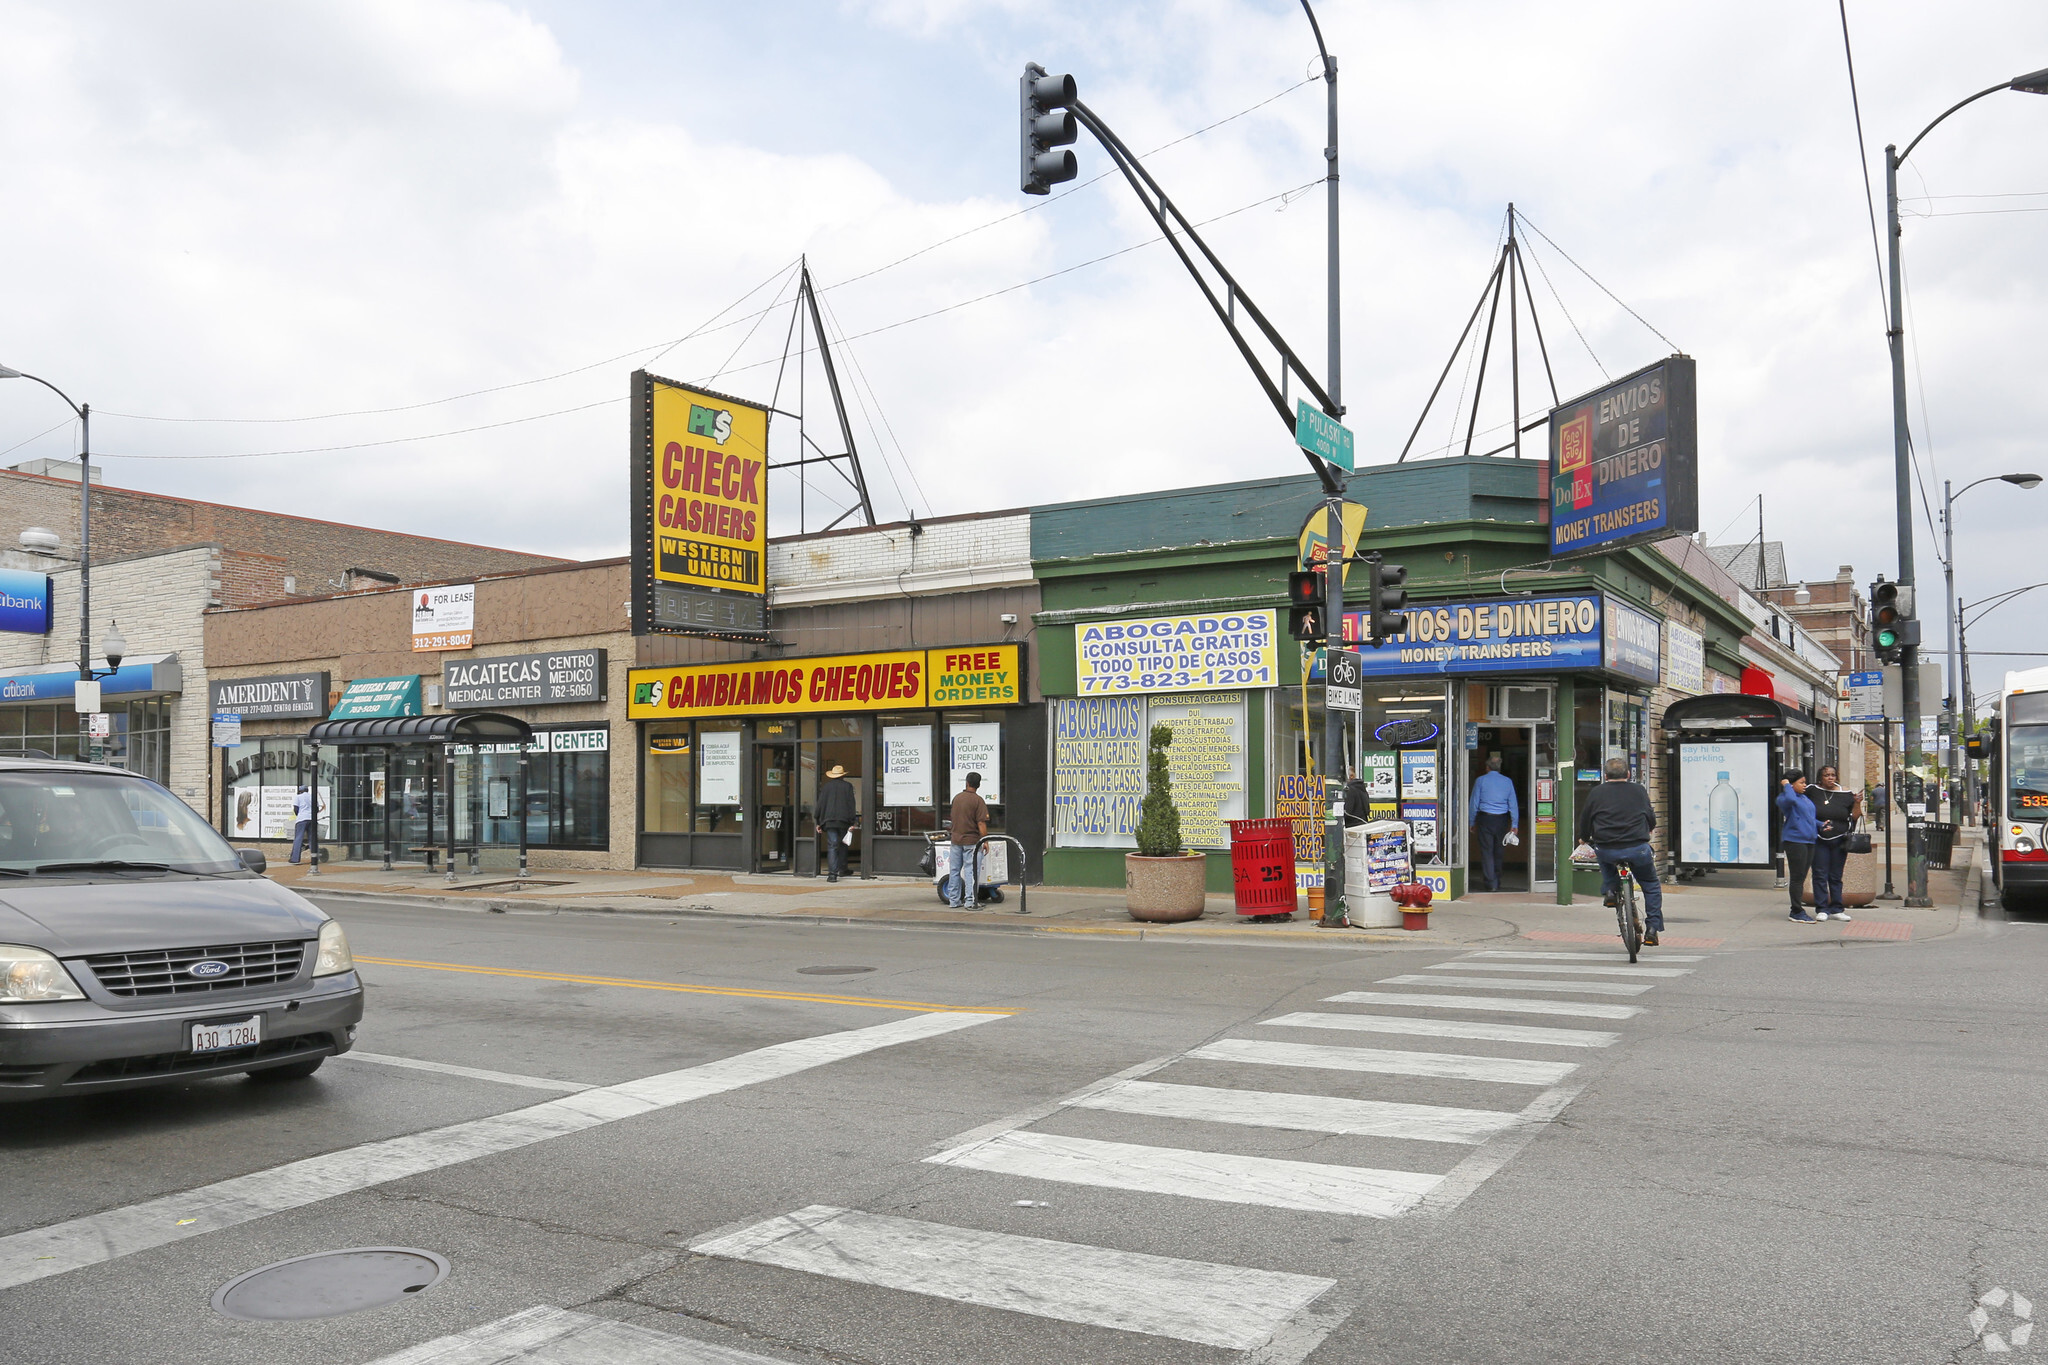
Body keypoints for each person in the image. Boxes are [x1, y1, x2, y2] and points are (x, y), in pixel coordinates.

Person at [1574, 757, 1664, 946]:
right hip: (1637, 849)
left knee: (1604, 858)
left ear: (1605, 776)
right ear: (1628, 774)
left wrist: (1584, 837)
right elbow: (1650, 815)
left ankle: (1610, 891)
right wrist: (1650, 827)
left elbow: (1586, 819)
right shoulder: (1639, 790)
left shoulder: (1596, 792)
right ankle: (1653, 928)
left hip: (1607, 847)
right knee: (1650, 884)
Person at [1809, 765, 1861, 922]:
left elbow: (1855, 817)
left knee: (1836, 875)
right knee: (1819, 873)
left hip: (1839, 839)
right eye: (1826, 775)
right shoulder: (1812, 790)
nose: (1830, 778)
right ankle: (1822, 908)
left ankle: (1837, 908)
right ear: (1820, 777)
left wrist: (1857, 802)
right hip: (1819, 838)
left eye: (1833, 775)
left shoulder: (1846, 794)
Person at [1468, 755, 1519, 892]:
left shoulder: (1480, 781)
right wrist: (1514, 824)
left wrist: (1471, 821)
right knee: (1499, 851)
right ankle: (1497, 878)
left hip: (1485, 819)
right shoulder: (1507, 782)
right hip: (1502, 820)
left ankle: (1491, 883)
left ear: (1487, 767)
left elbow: (1474, 804)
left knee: (1486, 851)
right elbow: (1513, 804)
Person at [1777, 772, 1821, 924]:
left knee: (1802, 876)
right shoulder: (1785, 798)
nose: (1805, 785)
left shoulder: (1804, 798)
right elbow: (1789, 799)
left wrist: (1822, 825)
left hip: (1809, 840)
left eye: (1805, 782)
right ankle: (1796, 911)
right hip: (1795, 841)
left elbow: (1809, 818)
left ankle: (1797, 909)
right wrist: (1786, 784)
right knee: (1797, 877)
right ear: (1791, 784)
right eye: (1801, 782)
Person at [943, 771, 988, 908]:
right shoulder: (978, 801)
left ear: (967, 783)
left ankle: (954, 900)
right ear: (978, 785)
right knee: (971, 872)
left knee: (954, 871)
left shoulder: (956, 798)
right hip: (972, 841)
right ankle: (970, 901)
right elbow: (981, 823)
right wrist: (985, 840)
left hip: (956, 840)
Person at [814, 764, 857, 883]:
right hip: (844, 820)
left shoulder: (826, 787)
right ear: (843, 775)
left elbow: (820, 804)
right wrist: (853, 821)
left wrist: (817, 821)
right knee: (843, 844)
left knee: (832, 846)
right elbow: (851, 804)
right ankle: (843, 869)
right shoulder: (848, 786)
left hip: (829, 821)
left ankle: (832, 874)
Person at [288, 785, 314, 865]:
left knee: (298, 838)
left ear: (300, 791)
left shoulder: (298, 797)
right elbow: (316, 808)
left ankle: (295, 859)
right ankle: (315, 857)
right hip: (311, 819)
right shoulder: (312, 797)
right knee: (312, 839)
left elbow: (296, 809)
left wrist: (299, 815)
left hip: (302, 819)